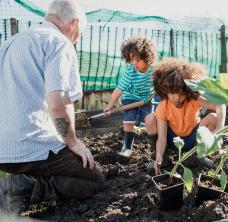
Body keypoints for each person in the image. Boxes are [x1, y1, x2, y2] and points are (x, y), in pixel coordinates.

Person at [0, 0, 105, 216]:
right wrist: (73, 141)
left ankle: (21, 183)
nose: (76, 40)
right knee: (95, 179)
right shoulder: (58, 42)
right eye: (80, 34)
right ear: (74, 24)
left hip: (3, 152)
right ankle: (19, 187)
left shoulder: (11, 42)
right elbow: (58, 103)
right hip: (27, 148)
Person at [145, 58, 226, 175]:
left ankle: (199, 157)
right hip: (173, 141)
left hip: (193, 140)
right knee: (150, 119)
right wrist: (158, 155)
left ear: (188, 91)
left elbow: (220, 104)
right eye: (172, 93)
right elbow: (162, 138)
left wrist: (220, 129)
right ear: (164, 90)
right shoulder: (163, 107)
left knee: (213, 117)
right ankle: (164, 161)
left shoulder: (193, 100)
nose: (177, 98)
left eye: (181, 94)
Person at [103, 37, 156, 157]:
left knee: (150, 122)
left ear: (147, 57)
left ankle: (155, 148)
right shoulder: (131, 70)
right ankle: (126, 147)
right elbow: (119, 89)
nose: (134, 63)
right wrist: (109, 106)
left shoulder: (154, 70)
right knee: (129, 121)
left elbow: (160, 85)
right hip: (130, 98)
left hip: (147, 99)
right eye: (132, 60)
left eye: (138, 60)